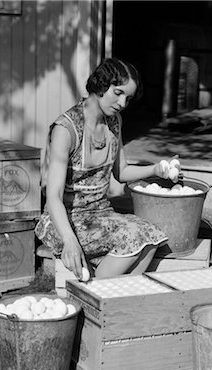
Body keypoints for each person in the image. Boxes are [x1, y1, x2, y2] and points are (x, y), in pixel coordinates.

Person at [35, 57, 179, 280]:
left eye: (128, 98)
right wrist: (70, 241)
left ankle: (111, 297)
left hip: (100, 214)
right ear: (101, 85)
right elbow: (53, 196)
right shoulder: (66, 129)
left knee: (151, 238)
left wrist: (156, 170)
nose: (122, 103)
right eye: (118, 92)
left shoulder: (114, 122)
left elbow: (121, 173)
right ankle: (96, 295)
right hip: (64, 220)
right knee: (133, 238)